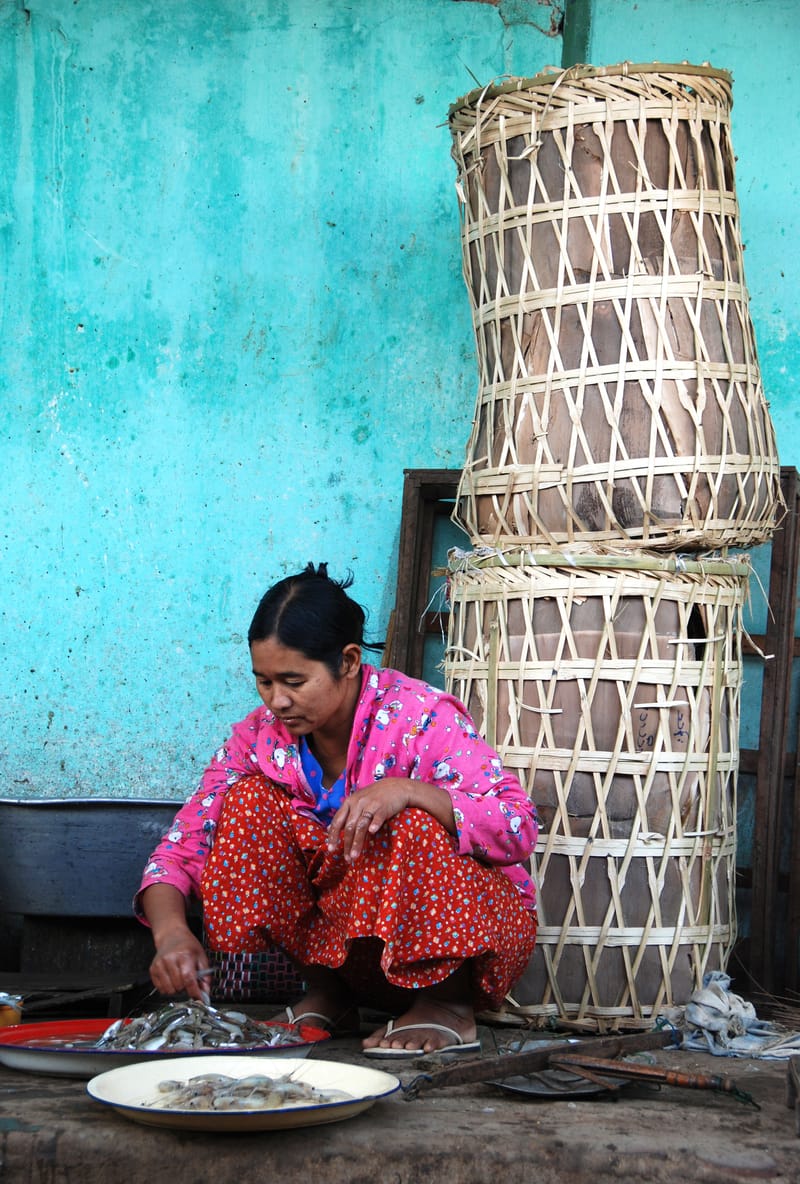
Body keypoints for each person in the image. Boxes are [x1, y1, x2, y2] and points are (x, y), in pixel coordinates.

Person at [136, 563, 538, 1057]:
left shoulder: (420, 716)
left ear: (348, 661)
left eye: (293, 681)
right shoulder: (258, 739)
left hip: (466, 942)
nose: (277, 700)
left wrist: (408, 790)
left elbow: (517, 827)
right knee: (247, 804)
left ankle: (446, 1007)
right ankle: (330, 993)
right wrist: (172, 933)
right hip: (355, 959)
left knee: (409, 821)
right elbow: (183, 845)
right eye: (263, 681)